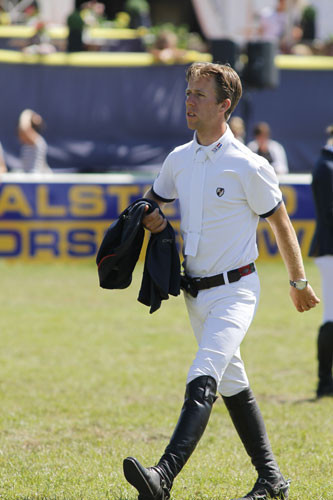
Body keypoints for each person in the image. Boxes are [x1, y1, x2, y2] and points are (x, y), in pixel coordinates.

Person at [123, 62, 319, 500]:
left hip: (237, 291)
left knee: (203, 375)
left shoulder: (248, 165)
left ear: (224, 105)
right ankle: (271, 479)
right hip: (195, 293)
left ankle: (163, 475)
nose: (189, 101)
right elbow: (152, 202)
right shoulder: (178, 159)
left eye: (199, 95)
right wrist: (145, 218)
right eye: (188, 92)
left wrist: (298, 281)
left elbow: (281, 224)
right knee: (233, 384)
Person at [309, 124, 333, 398]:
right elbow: (330, 213)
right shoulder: (326, 166)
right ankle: (324, 381)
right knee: (331, 316)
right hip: (330, 249)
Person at [17, 109, 52, 173]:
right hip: (29, 177)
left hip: (34, 178)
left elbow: (23, 129)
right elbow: (22, 132)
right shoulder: (28, 141)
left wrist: (27, 113)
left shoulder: (37, 140)